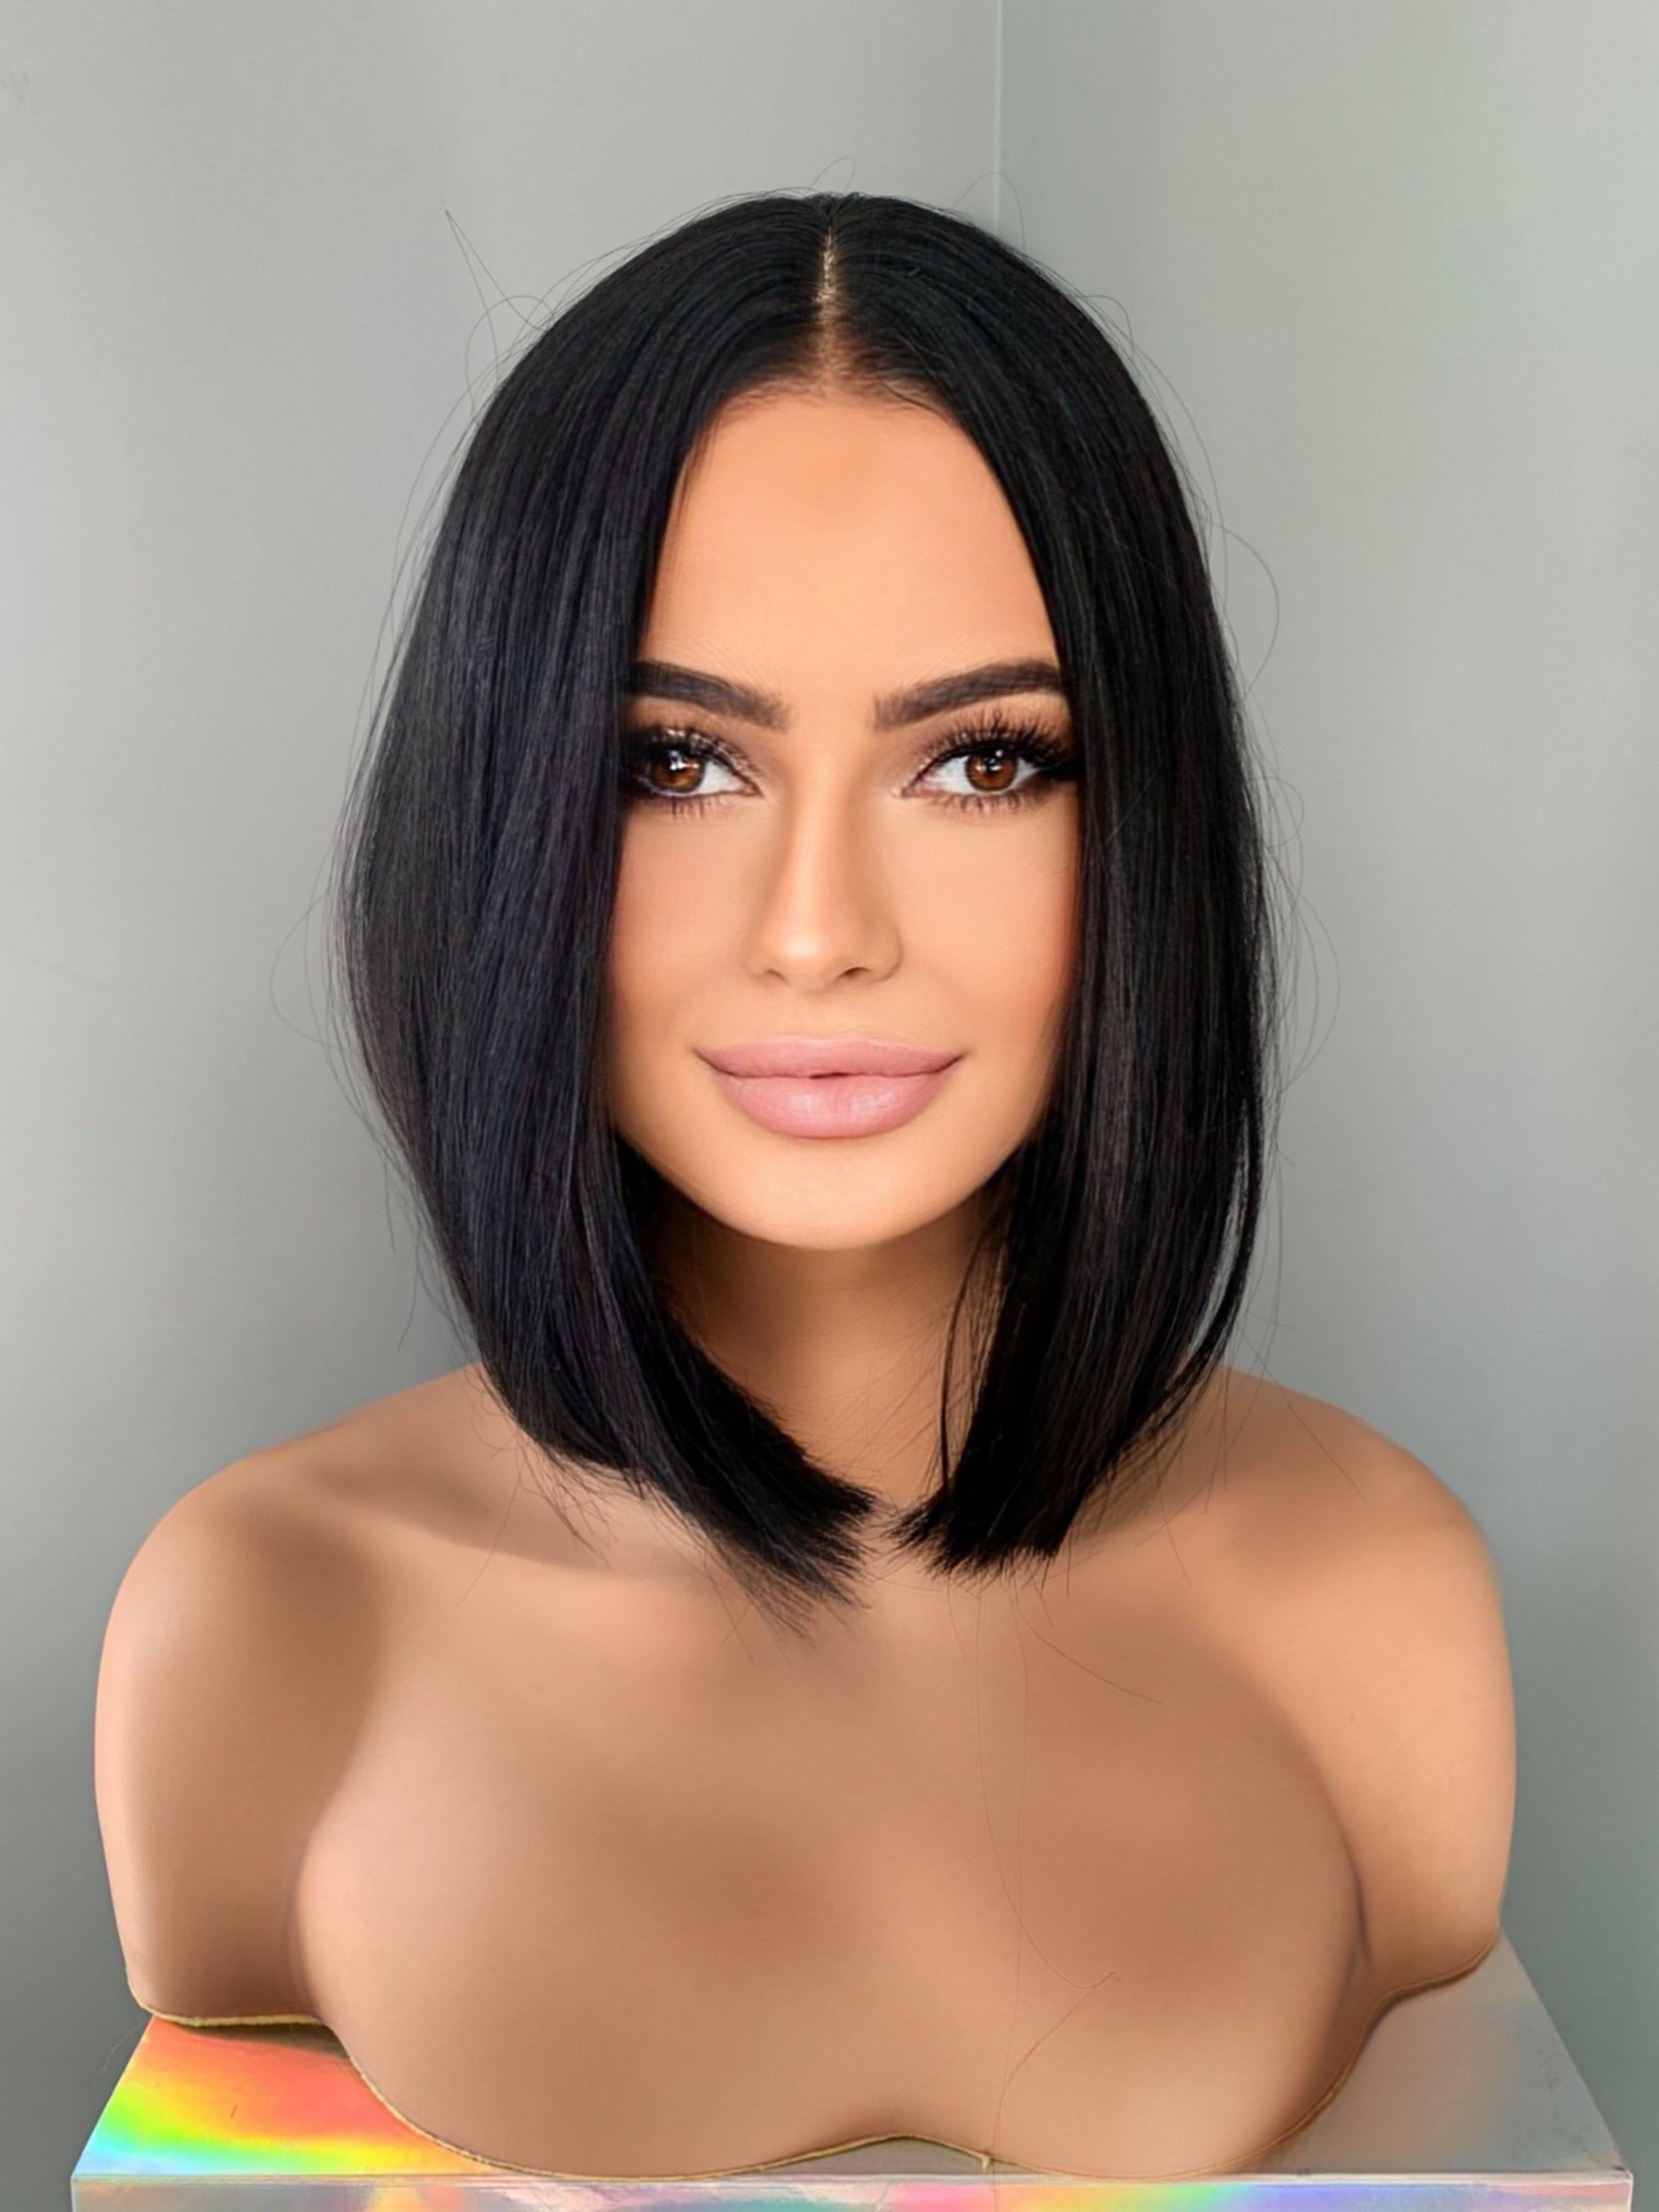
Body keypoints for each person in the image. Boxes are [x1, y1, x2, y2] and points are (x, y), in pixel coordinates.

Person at [93, 189, 1515, 2181]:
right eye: (676, 764)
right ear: (501, 810)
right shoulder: (264, 1624)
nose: (821, 931)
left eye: (984, 763)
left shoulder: (1380, 1597)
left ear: (1145, 824)